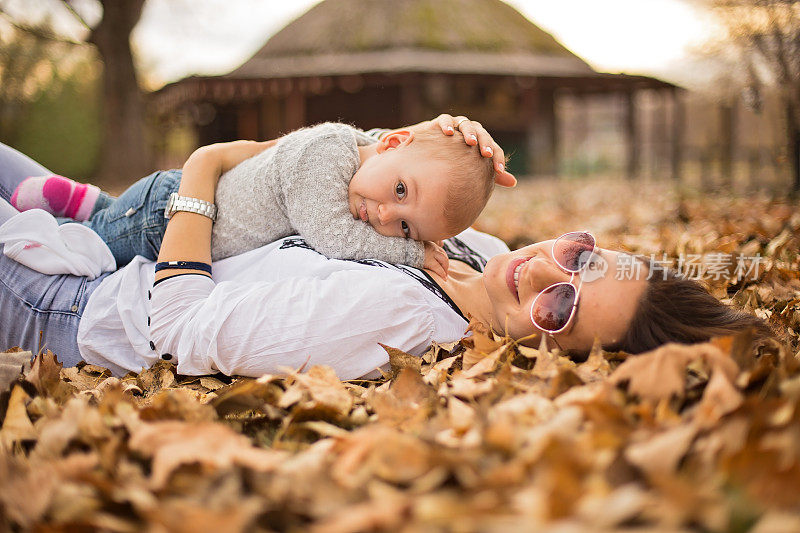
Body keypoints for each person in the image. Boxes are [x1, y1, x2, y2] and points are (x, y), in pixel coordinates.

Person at [0, 116, 773, 379]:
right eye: (580, 256)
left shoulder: (394, 314)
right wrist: (450, 134)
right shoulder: (478, 251)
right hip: (120, 224)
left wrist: (206, 167)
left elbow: (178, 334)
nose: (540, 266)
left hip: (73, 296)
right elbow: (390, 175)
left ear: (551, 353)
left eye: (561, 304)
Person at [10, 121, 497, 278]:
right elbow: (336, 240)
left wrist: (440, 134)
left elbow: (395, 150)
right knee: (92, 249)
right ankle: (55, 219)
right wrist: (414, 251)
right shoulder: (323, 160)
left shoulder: (364, 149)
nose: (385, 216)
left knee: (111, 213)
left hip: (168, 197)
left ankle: (78, 197)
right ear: (393, 143)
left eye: (407, 226)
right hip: (165, 216)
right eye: (400, 192)